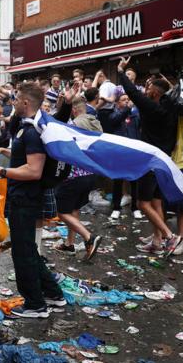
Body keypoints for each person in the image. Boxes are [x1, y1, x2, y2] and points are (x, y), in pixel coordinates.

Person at [0, 82, 66, 318]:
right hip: (21, 196)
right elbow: (25, 156)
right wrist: (3, 153)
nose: (12, 102)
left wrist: (1, 172)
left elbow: (34, 170)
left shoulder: (33, 132)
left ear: (25, 102)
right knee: (28, 249)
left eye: (16, 98)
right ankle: (53, 294)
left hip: (26, 199)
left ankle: (35, 305)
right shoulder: (27, 127)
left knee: (22, 253)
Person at [118, 57, 183, 256]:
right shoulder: (172, 108)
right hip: (164, 160)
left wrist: (121, 72)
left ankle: (170, 236)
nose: (145, 90)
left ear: (154, 93)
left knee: (142, 203)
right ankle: (156, 241)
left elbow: (132, 92)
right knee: (156, 202)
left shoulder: (152, 107)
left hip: (149, 161)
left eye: (148, 88)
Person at [51, 96, 103, 260]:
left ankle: (89, 237)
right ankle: (69, 244)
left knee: (61, 211)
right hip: (90, 174)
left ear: (73, 110)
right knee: (73, 209)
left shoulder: (73, 126)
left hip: (74, 175)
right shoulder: (95, 123)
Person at [108, 92, 142, 219]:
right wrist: (127, 109)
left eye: (128, 99)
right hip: (119, 153)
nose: (127, 101)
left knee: (134, 181)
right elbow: (115, 120)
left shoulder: (135, 116)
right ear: (117, 103)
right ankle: (116, 207)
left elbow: (139, 130)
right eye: (123, 100)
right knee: (118, 181)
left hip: (133, 152)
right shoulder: (114, 115)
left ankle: (135, 208)